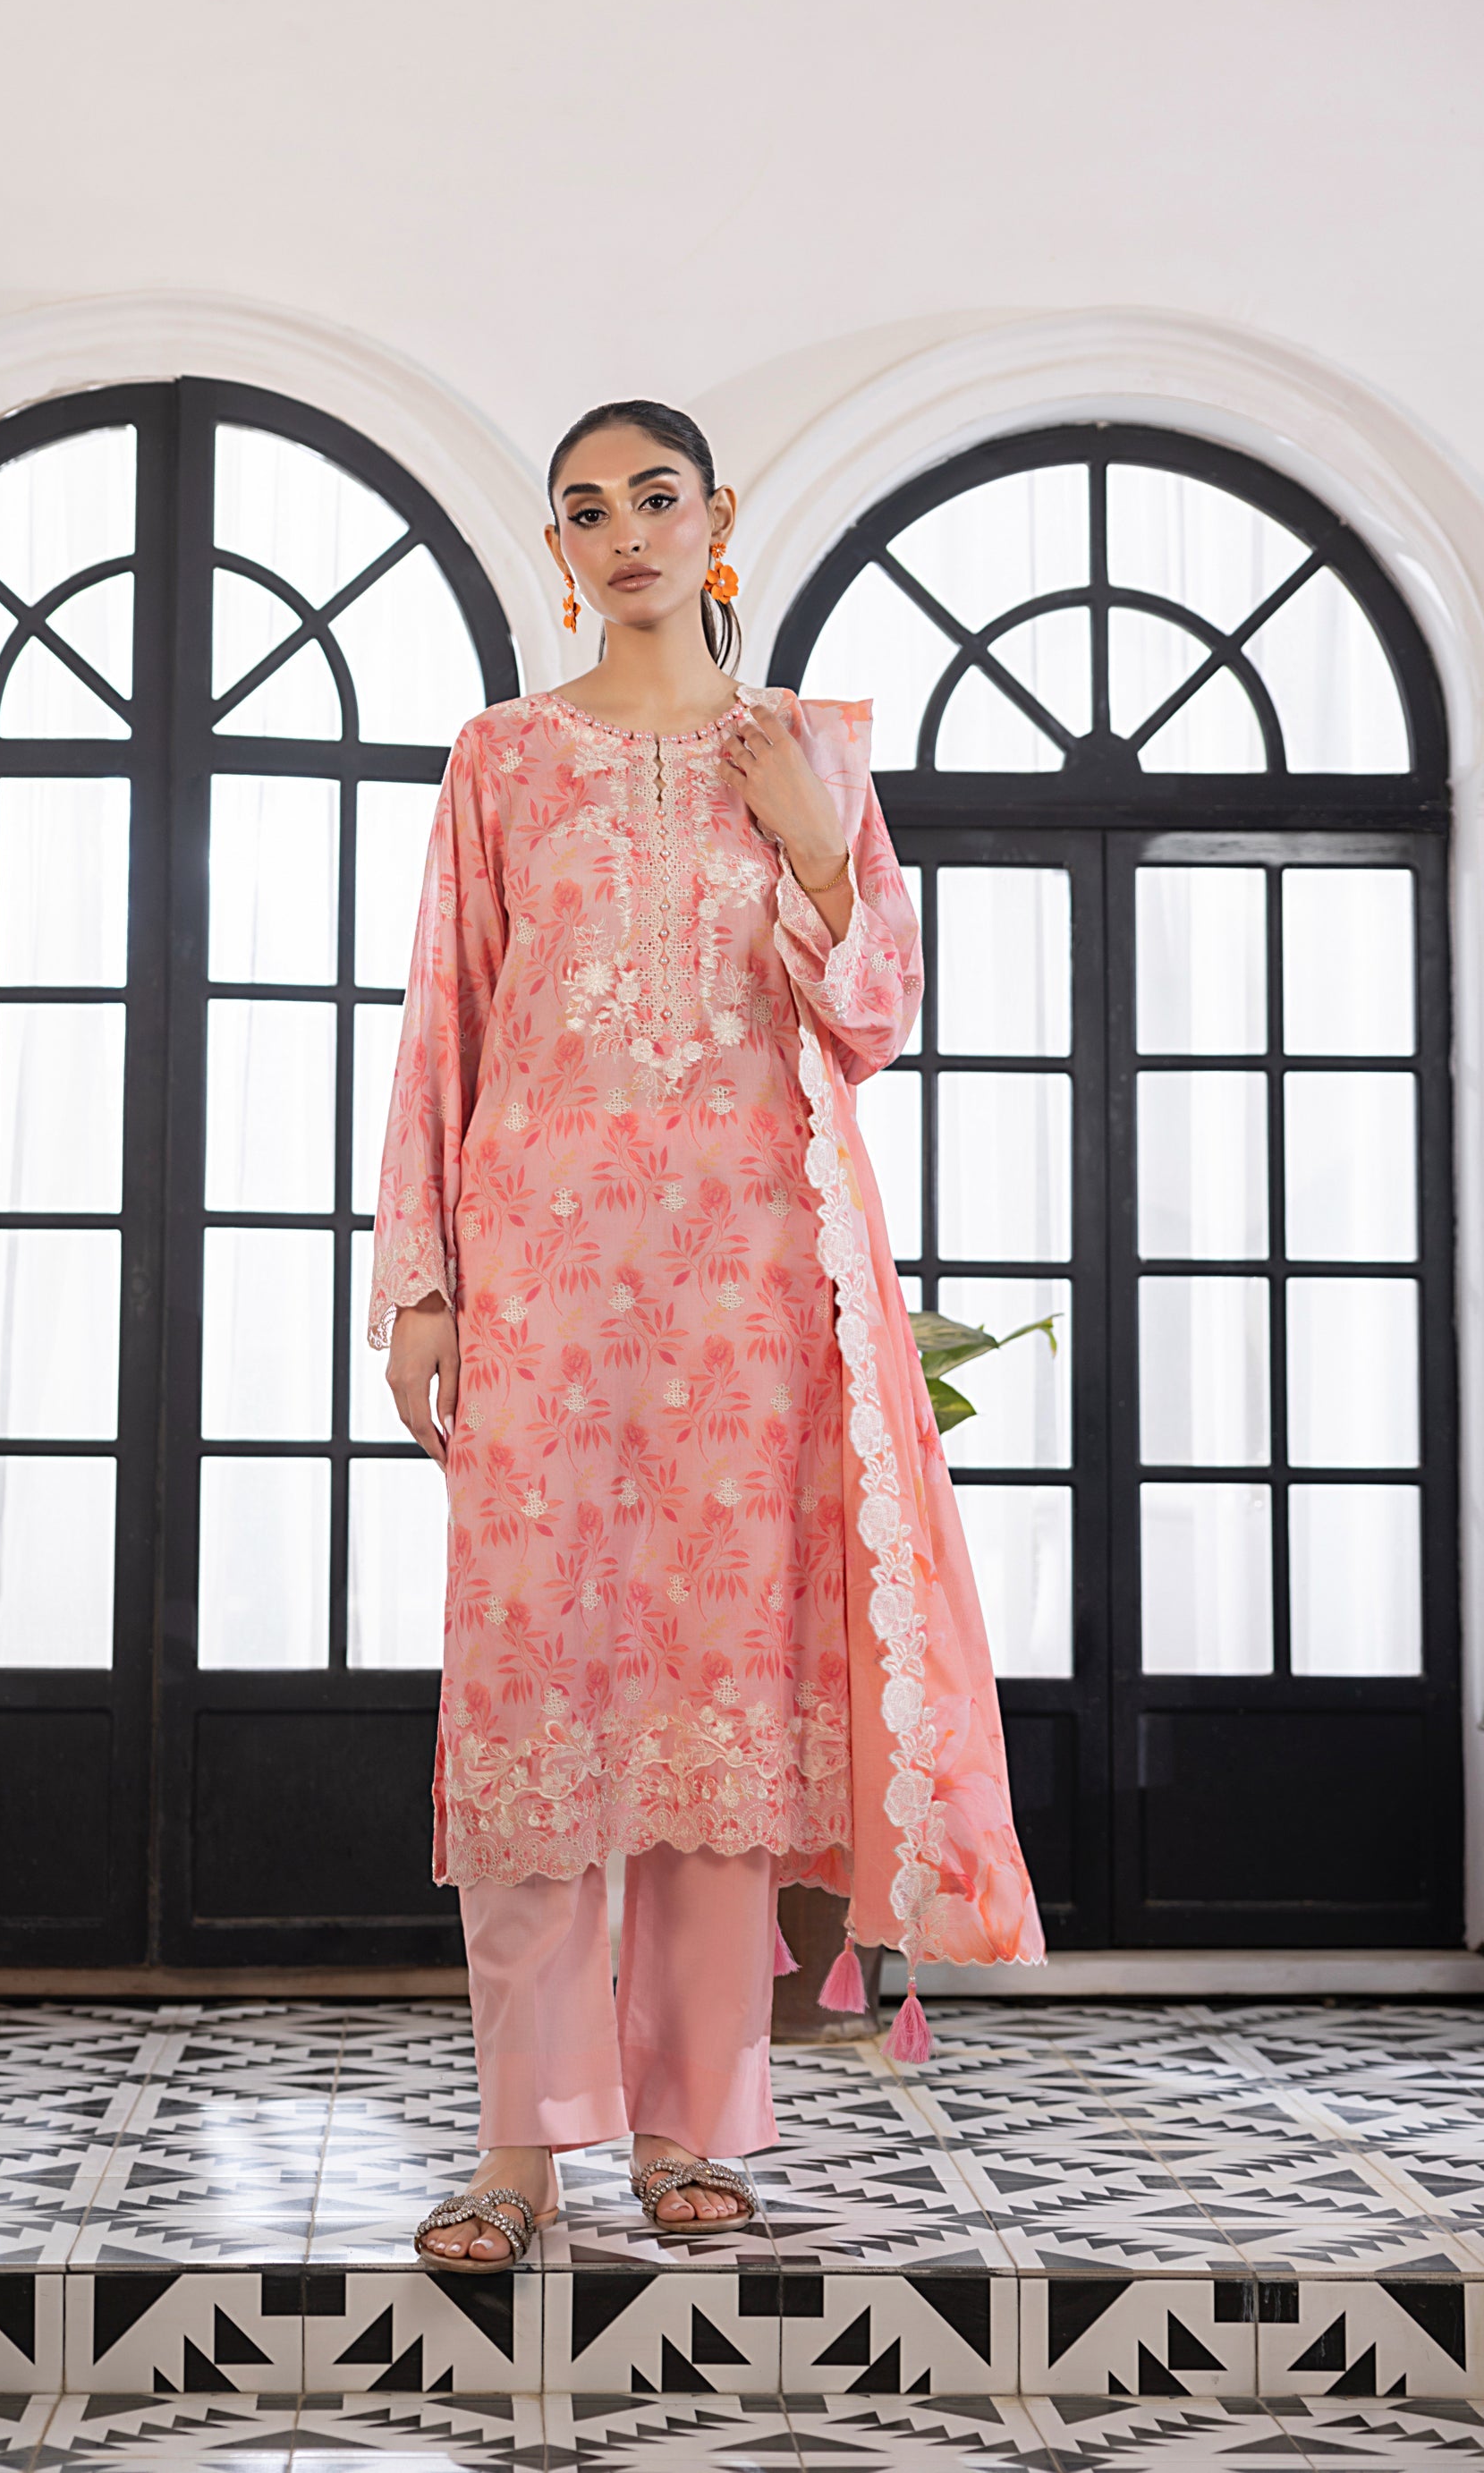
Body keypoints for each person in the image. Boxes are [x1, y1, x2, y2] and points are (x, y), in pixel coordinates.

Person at [368, 400, 1041, 2266]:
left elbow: (876, 1017)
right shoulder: (502, 760)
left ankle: (691, 2129)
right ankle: (522, 2147)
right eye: (587, 511)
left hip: (749, 1292)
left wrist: (820, 849)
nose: (625, 534)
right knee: (532, 1704)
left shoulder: (810, 751)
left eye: (655, 499)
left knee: (711, 1724)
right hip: (547, 1280)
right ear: (560, 550)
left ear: (715, 516)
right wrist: (418, 1286)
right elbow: (444, 1021)